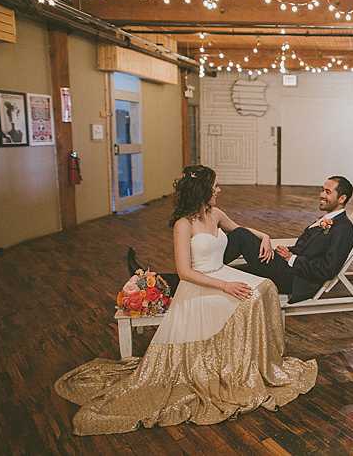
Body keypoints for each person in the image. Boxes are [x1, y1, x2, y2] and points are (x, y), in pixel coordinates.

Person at [55, 165, 317, 435]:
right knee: (247, 299)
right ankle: (228, 365)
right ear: (202, 190)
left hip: (220, 271)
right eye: (214, 186)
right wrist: (225, 286)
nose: (219, 190)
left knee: (265, 288)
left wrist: (265, 236)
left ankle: (251, 364)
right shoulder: (183, 224)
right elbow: (184, 272)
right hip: (201, 283)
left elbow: (240, 231)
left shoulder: (215, 213)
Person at [130, 175, 353, 304]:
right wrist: (277, 247)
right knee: (235, 269)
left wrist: (291, 259)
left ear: (342, 198)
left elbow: (327, 270)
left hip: (296, 279)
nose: (321, 194)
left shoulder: (343, 229)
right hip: (288, 266)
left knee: (240, 236)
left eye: (327, 192)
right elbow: (305, 248)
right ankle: (152, 280)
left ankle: (203, 269)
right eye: (322, 190)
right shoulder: (326, 221)